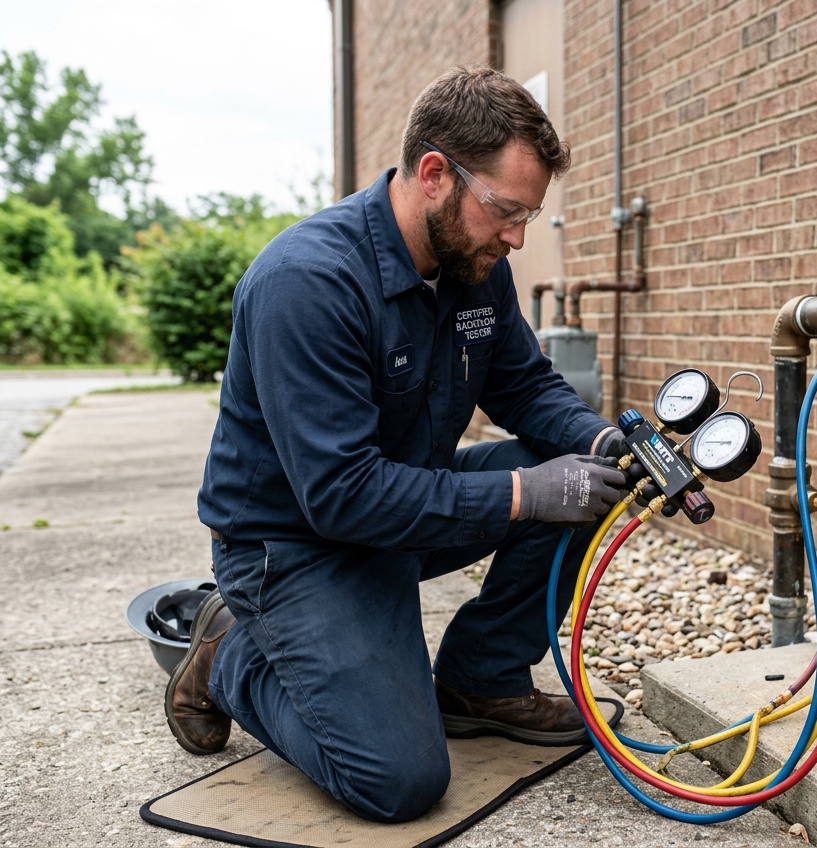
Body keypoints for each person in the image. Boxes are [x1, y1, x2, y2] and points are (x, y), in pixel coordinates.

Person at [163, 66, 631, 824]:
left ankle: (482, 681)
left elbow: (524, 386)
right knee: (398, 781)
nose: (516, 238)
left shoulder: (473, 267)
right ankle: (230, 654)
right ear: (435, 173)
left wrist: (605, 441)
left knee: (580, 482)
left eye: (529, 217)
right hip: (294, 547)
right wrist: (524, 494)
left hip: (401, 515)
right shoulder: (307, 283)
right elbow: (342, 494)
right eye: (506, 211)